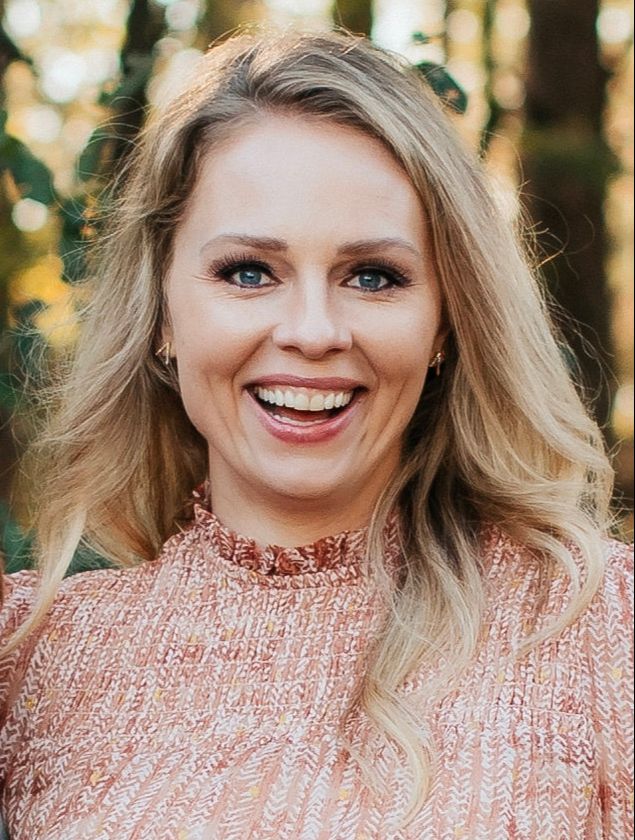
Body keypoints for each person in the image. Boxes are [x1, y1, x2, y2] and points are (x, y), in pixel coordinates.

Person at [0, 28, 632, 840]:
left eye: (372, 276)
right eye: (248, 272)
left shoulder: (597, 625)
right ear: (161, 313)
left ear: (445, 321)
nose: (311, 331)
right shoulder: (34, 657)